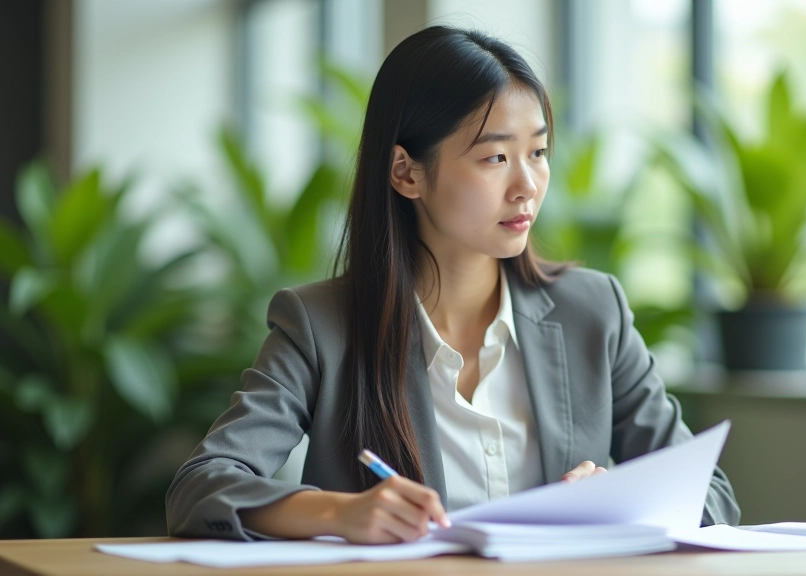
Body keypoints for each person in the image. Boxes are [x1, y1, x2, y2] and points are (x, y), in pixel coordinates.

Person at [165, 25, 740, 544]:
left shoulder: (593, 311)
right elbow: (201, 486)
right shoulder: (321, 326)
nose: (527, 186)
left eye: (537, 152)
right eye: (495, 158)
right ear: (406, 172)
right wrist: (339, 514)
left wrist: (617, 502)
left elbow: (710, 494)